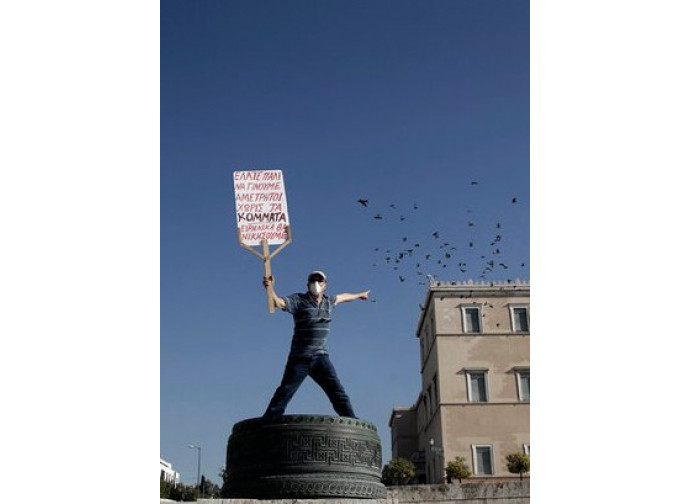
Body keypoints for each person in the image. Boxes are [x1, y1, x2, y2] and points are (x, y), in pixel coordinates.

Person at [262, 270, 370, 418]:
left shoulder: (328, 302)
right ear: (307, 285)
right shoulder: (299, 301)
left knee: (338, 393)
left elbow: (344, 296)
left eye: (319, 281)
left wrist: (359, 295)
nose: (316, 284)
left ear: (325, 285)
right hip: (299, 358)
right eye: (313, 281)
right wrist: (270, 289)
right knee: (285, 392)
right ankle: (267, 424)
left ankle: (353, 424)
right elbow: (278, 302)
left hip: (320, 357)